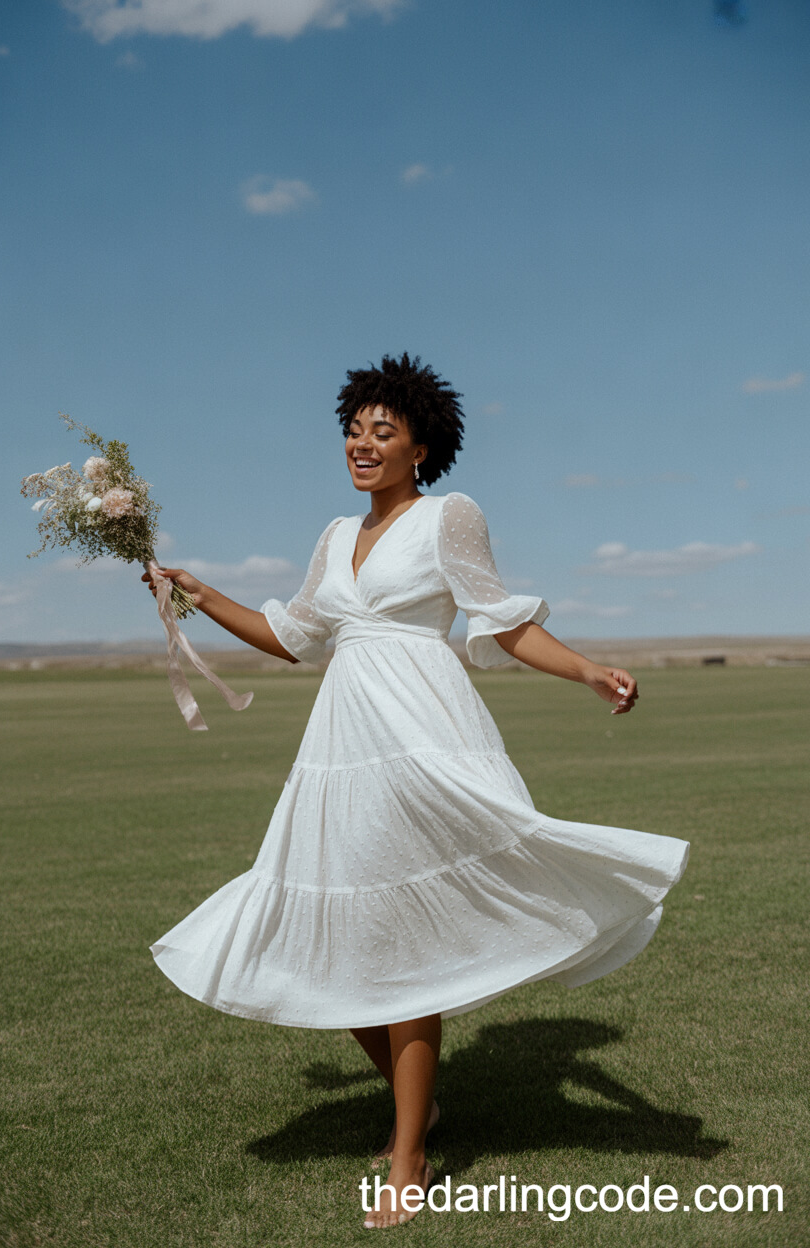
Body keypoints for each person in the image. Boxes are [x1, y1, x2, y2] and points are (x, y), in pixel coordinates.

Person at [142, 353, 689, 1230]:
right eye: (353, 430)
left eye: (382, 431)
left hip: (427, 736)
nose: (363, 443)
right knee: (334, 932)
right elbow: (294, 636)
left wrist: (587, 669)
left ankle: (409, 1156)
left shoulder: (449, 519)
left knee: (407, 942)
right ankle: (419, 1109)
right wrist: (200, 594)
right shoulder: (333, 536)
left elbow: (502, 623)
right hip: (344, 747)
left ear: (420, 447)